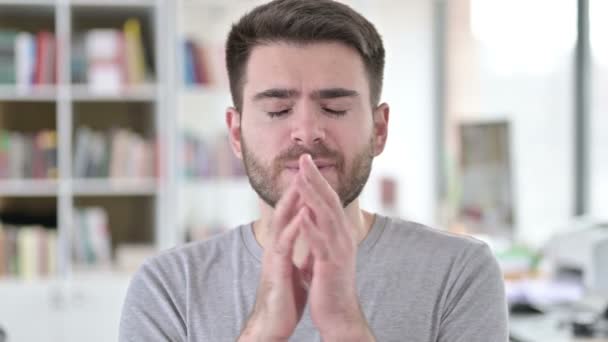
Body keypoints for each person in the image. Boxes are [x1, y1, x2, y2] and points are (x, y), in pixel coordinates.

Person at [119, 0, 509, 341]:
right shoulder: (169, 287)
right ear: (236, 134)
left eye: (335, 108)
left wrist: (345, 328)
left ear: (379, 129)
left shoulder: (459, 272)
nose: (306, 132)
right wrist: (263, 332)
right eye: (277, 110)